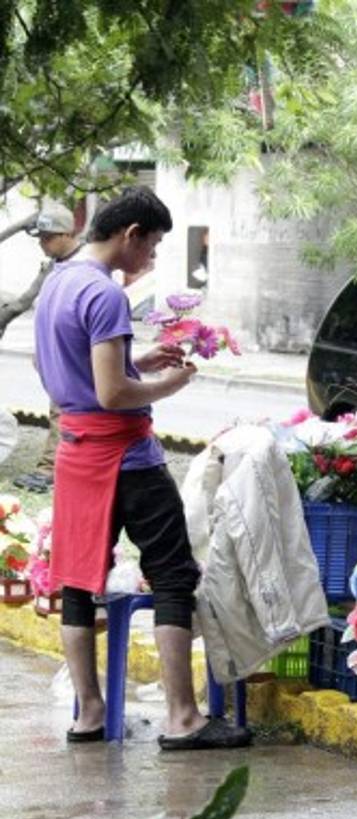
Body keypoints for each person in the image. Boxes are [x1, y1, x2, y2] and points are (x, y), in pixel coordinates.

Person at [33, 186, 251, 750]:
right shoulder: (104, 294)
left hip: (74, 453)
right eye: (152, 246)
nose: (151, 258)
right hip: (126, 457)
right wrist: (168, 383)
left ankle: (89, 714)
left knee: (80, 581)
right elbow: (112, 392)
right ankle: (183, 718)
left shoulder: (58, 281)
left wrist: (138, 360)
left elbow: (63, 366)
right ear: (130, 235)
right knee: (174, 574)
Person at [14, 202, 83, 493]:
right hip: (53, 353)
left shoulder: (82, 267)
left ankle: (49, 471)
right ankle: (53, 468)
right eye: (40, 238)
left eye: (48, 237)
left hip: (70, 354)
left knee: (63, 413)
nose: (42, 244)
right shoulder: (57, 265)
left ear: (67, 234)